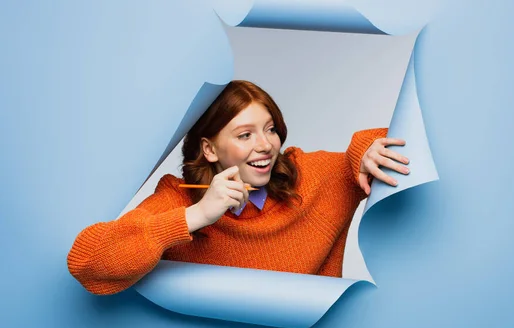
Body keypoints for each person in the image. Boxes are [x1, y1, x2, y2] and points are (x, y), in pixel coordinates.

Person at [67, 80, 410, 295]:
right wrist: (195, 216)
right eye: (245, 135)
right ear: (210, 149)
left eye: (270, 129)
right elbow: (87, 261)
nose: (266, 145)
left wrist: (363, 150)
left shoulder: (311, 177)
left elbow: (395, 142)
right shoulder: (179, 198)